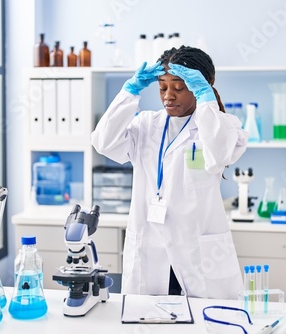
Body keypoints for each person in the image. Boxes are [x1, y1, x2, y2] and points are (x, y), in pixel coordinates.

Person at [91, 46, 248, 299]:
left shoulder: (223, 127)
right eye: (162, 87)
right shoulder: (146, 125)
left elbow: (218, 155)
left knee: (204, 323)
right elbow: (103, 142)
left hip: (198, 253)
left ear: (199, 87)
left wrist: (207, 100)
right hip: (151, 250)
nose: (168, 96)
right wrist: (129, 91)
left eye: (178, 87)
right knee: (147, 321)